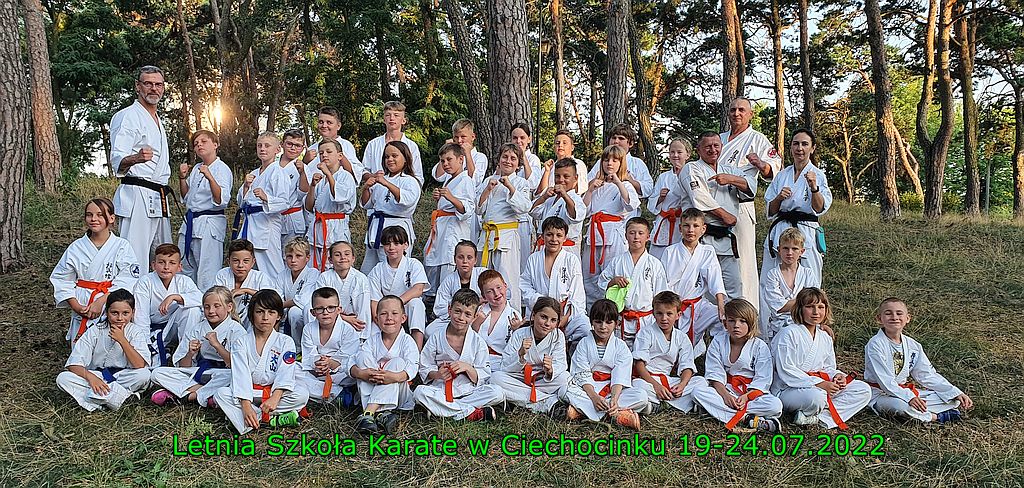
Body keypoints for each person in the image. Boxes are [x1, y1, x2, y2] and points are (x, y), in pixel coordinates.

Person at [771, 287, 870, 429]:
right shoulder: (787, 334)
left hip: (820, 386)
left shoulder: (824, 337)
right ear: (799, 309)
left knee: (863, 389)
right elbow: (786, 370)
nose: (816, 312)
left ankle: (820, 418)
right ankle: (814, 411)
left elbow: (828, 367)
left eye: (820, 307)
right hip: (788, 389)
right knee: (817, 397)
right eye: (810, 307)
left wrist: (837, 376)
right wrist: (819, 384)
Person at [213, 290, 309, 433]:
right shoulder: (241, 342)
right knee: (221, 394)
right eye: (259, 312)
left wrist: (275, 397)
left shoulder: (285, 341)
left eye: (271, 312)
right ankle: (270, 419)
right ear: (252, 314)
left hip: (273, 393)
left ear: (279, 316)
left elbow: (286, 372)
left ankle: (247, 418)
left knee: (302, 394)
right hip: (250, 393)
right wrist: (246, 406)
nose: (265, 317)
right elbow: (241, 375)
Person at [864, 297, 972, 424]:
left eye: (899, 313)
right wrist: (909, 397)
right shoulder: (875, 344)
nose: (894, 317)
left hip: (903, 391)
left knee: (953, 400)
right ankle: (935, 417)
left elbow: (926, 374)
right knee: (900, 407)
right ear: (879, 318)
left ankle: (923, 411)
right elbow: (885, 381)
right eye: (888, 313)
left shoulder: (913, 345)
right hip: (880, 393)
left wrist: (954, 392)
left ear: (907, 318)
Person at [719, 98, 784, 308]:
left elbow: (775, 168)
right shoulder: (720, 139)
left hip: (741, 204)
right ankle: (718, 311)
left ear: (750, 114)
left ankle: (747, 312)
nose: (736, 113)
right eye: (733, 109)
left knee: (743, 261)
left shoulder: (758, 139)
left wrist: (761, 164)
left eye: (741, 110)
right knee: (715, 261)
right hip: (716, 206)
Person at [677, 132, 756, 305]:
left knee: (734, 287)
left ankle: (735, 321)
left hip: (726, 240)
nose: (713, 150)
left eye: (716, 146)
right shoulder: (691, 168)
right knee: (704, 288)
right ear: (698, 149)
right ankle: (709, 322)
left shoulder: (729, 170)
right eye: (708, 146)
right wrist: (726, 216)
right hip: (702, 238)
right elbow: (699, 197)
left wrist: (731, 179)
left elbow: (751, 186)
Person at [50, 198, 141, 343]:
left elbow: (128, 278)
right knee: (82, 346)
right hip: (83, 302)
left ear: (111, 218)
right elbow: (62, 278)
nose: (93, 219)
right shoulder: (76, 247)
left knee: (110, 343)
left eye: (100, 215)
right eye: (89, 215)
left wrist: (102, 301)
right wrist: (76, 306)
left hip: (112, 302)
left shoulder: (122, 246)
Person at [109, 65, 172, 264]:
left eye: (158, 85)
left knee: (165, 257)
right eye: (148, 84)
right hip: (137, 194)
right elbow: (117, 159)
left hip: (159, 195)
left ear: (163, 88)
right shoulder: (127, 116)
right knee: (135, 257)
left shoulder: (158, 120)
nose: (154, 89)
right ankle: (130, 286)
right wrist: (136, 158)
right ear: (138, 86)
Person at [693, 299, 783, 432]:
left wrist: (746, 397)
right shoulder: (718, 341)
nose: (736, 325)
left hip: (751, 393)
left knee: (775, 405)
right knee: (698, 392)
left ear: (751, 323)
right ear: (725, 323)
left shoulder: (759, 346)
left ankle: (714, 410)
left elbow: (763, 379)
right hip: (726, 389)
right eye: (731, 320)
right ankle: (748, 419)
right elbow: (714, 373)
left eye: (742, 321)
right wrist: (725, 396)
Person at [414, 289, 505, 420]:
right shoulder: (436, 337)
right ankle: (472, 413)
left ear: (474, 317)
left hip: (469, 390)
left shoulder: (478, 342)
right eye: (457, 311)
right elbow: (424, 366)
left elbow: (483, 375)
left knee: (497, 392)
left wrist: (468, 368)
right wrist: (437, 374)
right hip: (441, 389)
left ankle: (442, 410)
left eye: (467, 314)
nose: (461, 318)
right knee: (419, 392)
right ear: (449, 309)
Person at [149, 286, 247, 407]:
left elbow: (239, 366)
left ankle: (189, 395)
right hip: (200, 372)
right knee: (157, 373)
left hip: (223, 373)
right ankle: (208, 395)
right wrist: (190, 353)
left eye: (217, 306)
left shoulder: (237, 331)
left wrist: (217, 345)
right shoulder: (197, 329)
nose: (211, 311)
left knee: (233, 377)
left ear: (229, 307)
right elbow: (184, 367)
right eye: (207, 307)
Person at [56, 289, 151, 411]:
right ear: (106, 312)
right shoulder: (95, 330)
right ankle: (122, 398)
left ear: (133, 312)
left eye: (125, 313)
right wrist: (92, 378)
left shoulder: (135, 332)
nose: (120, 318)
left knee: (144, 375)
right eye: (114, 313)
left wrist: (122, 340)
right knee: (63, 378)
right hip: (98, 376)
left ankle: (98, 400)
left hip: (123, 376)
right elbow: (73, 365)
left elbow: (139, 364)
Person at [563, 299, 647, 429]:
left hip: (612, 389)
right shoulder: (584, 343)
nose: (603, 326)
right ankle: (618, 414)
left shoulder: (620, 346)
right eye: (598, 322)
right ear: (591, 322)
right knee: (564, 389)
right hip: (589, 388)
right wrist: (594, 397)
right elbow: (582, 373)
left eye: (608, 322)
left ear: (616, 324)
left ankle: (583, 411)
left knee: (641, 396)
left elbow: (620, 376)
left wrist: (614, 399)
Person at [763, 129, 832, 284]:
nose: (799, 148)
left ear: (812, 148)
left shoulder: (818, 175)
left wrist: (814, 187)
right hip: (781, 229)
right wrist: (779, 198)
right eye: (796, 144)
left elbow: (819, 208)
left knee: (809, 280)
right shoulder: (781, 175)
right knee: (773, 278)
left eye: (804, 144)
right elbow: (770, 210)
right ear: (791, 147)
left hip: (806, 229)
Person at [661, 208, 728, 357]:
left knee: (724, 319)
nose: (691, 230)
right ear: (680, 228)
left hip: (698, 305)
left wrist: (721, 305)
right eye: (686, 225)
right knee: (674, 346)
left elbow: (715, 278)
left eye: (695, 226)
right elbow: (663, 283)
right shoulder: (670, 252)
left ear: (703, 229)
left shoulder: (707, 251)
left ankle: (718, 355)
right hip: (674, 305)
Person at [351, 295, 419, 435]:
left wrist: (393, 377)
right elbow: (353, 361)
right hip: (373, 383)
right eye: (383, 314)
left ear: (403, 318)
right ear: (376, 319)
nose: (389, 318)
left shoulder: (407, 341)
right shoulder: (372, 341)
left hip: (398, 393)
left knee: (397, 362)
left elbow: (412, 367)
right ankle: (382, 413)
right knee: (362, 356)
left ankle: (369, 412)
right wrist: (361, 373)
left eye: (394, 313)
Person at [631, 291, 709, 414]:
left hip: (669, 381)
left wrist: (682, 385)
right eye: (659, 313)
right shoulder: (646, 333)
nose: (664, 318)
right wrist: (656, 386)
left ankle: (657, 404)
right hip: (648, 380)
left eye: (669, 314)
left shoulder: (682, 337)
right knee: (637, 385)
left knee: (701, 381)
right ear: (653, 314)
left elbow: (687, 365)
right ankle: (683, 403)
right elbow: (639, 365)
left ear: (678, 315)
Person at [476, 143, 533, 312]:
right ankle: (484, 314)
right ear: (499, 159)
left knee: (507, 277)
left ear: (518, 164)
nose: (508, 161)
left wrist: (510, 187)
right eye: (505, 157)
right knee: (484, 277)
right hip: (487, 236)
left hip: (506, 237)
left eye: (513, 158)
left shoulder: (521, 183)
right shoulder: (489, 180)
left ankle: (512, 315)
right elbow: (478, 209)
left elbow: (524, 207)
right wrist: (488, 189)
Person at [583, 145, 640, 308]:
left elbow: (630, 205)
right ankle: (592, 313)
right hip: (593, 234)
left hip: (613, 235)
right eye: (606, 160)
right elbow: (583, 211)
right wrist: (590, 190)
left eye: (615, 160)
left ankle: (611, 312)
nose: (610, 163)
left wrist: (618, 182)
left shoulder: (625, 185)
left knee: (612, 275)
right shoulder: (596, 185)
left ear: (621, 163)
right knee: (589, 278)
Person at [490, 297, 570, 415]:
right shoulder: (519, 334)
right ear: (533, 315)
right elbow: (505, 366)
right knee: (496, 378)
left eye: (553, 320)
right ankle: (548, 402)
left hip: (542, 380)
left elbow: (561, 364)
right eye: (544, 317)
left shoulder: (558, 336)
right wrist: (520, 354)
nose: (547, 323)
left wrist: (550, 370)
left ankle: (515, 399)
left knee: (565, 378)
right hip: (520, 378)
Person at [520, 217, 591, 346]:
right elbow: (525, 285)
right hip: (541, 312)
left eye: (559, 235)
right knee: (528, 334)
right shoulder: (534, 259)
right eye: (549, 234)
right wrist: (541, 303)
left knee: (585, 328)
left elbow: (578, 294)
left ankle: (573, 353)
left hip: (566, 312)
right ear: (543, 236)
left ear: (565, 238)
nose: (554, 239)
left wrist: (565, 318)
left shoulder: (571, 259)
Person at [598, 217, 667, 349]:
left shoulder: (654, 264)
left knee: (643, 352)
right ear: (626, 236)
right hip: (621, 318)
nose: (636, 237)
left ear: (648, 236)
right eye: (632, 233)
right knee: (620, 352)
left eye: (641, 233)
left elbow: (661, 295)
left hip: (645, 319)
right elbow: (602, 282)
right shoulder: (617, 261)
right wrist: (613, 282)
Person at [177, 129, 232, 290]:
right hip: (190, 222)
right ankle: (187, 300)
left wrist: (209, 177)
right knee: (185, 267)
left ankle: (208, 303)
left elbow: (221, 200)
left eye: (203, 141)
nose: (199, 145)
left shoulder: (222, 169)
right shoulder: (196, 168)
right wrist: (182, 178)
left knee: (207, 271)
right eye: (196, 144)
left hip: (209, 223)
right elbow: (186, 197)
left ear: (215, 144)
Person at [132, 243, 203, 367]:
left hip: (176, 326)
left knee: (193, 310)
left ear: (179, 267)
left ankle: (186, 356)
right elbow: (140, 316)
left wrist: (175, 297)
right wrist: (144, 344)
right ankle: (163, 351)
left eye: (172, 263)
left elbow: (201, 299)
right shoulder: (145, 282)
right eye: (161, 262)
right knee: (151, 362)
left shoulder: (184, 281)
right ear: (153, 265)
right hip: (154, 329)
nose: (166, 267)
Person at [232, 132, 291, 278]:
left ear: (277, 149)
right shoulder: (254, 173)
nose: (262, 149)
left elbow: (285, 202)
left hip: (267, 226)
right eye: (259, 145)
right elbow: (241, 202)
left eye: (267, 146)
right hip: (250, 224)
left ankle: (276, 292)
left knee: (271, 268)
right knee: (248, 267)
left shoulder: (278, 172)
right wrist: (246, 187)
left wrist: (266, 198)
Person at [422, 143, 476, 301]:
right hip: (441, 227)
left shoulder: (466, 180)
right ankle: (432, 299)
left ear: (461, 159)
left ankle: (448, 301)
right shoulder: (449, 179)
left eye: (449, 159)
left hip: (454, 230)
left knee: (449, 265)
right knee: (433, 263)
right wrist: (440, 198)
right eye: (442, 161)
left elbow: (468, 209)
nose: (445, 164)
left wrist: (451, 198)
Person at [359, 141, 422, 274]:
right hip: (376, 228)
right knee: (369, 269)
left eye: (394, 156)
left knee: (393, 269)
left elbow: (407, 201)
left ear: (405, 158)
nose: (390, 159)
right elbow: (367, 204)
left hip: (397, 228)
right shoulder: (380, 179)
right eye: (387, 157)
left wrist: (386, 183)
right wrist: (366, 188)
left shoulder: (410, 181)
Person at [367, 226, 430, 349]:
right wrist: (379, 319)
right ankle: (379, 353)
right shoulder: (377, 269)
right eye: (387, 244)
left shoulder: (413, 264)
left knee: (416, 304)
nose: (391, 248)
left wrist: (397, 303)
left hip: (406, 306)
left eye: (396, 243)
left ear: (405, 245)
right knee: (372, 330)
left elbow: (418, 289)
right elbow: (374, 300)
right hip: (386, 311)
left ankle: (417, 351)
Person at [302, 139, 358, 271]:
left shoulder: (346, 176)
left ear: (339, 156)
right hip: (318, 226)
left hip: (336, 226)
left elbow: (340, 198)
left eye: (329, 152)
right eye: (321, 153)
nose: (324, 155)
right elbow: (309, 207)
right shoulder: (320, 179)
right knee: (315, 266)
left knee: (335, 264)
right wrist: (312, 186)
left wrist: (328, 173)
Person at [298, 287, 360, 404]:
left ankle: (318, 392)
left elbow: (347, 359)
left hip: (340, 374)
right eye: (320, 309)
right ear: (313, 312)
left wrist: (330, 363)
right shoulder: (308, 329)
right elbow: (309, 355)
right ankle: (337, 393)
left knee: (355, 371)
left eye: (331, 308)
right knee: (293, 370)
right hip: (316, 371)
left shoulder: (348, 330)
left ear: (339, 310)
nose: (325, 312)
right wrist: (319, 363)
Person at [759, 228, 820, 341]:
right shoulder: (773, 274)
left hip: (804, 325)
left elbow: (814, 302)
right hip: (778, 328)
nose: (789, 253)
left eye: (794, 249)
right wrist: (804, 302)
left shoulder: (808, 273)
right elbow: (778, 306)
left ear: (802, 251)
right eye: (785, 248)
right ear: (779, 250)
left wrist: (805, 303)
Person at [586, 124, 654, 218]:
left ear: (630, 143)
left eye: (621, 138)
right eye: (613, 138)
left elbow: (648, 189)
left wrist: (630, 180)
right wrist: (596, 180)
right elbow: (586, 185)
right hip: (599, 212)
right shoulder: (601, 162)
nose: (616, 141)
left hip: (626, 216)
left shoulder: (637, 163)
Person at [425, 241, 488, 337]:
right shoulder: (449, 280)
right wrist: (461, 308)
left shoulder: (483, 275)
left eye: (469, 257)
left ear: (475, 260)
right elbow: (439, 307)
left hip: (478, 316)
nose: (465, 261)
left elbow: (495, 294)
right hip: (455, 318)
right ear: (455, 259)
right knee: (430, 330)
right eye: (460, 257)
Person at [213, 240, 281, 328]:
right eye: (236, 261)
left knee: (252, 309)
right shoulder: (222, 274)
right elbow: (215, 298)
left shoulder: (260, 277)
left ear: (253, 262)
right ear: (228, 261)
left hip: (252, 322)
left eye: (246, 261)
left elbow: (272, 300)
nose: (240, 265)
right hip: (227, 317)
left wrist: (246, 290)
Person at [312, 241, 372, 341]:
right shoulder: (324, 277)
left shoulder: (360, 279)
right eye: (337, 255)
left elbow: (363, 309)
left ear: (353, 259)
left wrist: (361, 333)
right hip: (328, 321)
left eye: (347, 254)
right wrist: (344, 318)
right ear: (330, 260)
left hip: (353, 323)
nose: (343, 257)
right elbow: (320, 305)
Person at [531, 158, 586, 257]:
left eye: (566, 176)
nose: (561, 180)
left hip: (566, 250)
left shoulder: (576, 199)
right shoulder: (550, 198)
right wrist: (544, 197)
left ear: (575, 178)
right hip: (544, 248)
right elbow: (533, 212)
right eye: (557, 176)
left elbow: (575, 216)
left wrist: (565, 195)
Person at [471, 270, 523, 373]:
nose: (496, 293)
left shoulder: (515, 316)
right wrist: (477, 323)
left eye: (499, 287)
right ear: (483, 296)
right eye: (490, 291)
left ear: (505, 286)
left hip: (501, 363)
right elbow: (468, 338)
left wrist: (516, 330)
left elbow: (517, 348)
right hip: (476, 360)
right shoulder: (478, 312)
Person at [361, 101, 424, 184]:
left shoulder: (411, 146)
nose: (392, 118)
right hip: (377, 189)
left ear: (403, 120)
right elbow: (363, 171)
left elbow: (417, 176)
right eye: (388, 115)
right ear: (384, 119)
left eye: (396, 115)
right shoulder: (373, 144)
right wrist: (373, 176)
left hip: (402, 189)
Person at [648, 138, 690, 259]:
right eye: (672, 152)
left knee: (679, 258)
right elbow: (652, 204)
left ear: (687, 155)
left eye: (679, 152)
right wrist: (660, 198)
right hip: (664, 222)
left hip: (682, 222)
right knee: (657, 259)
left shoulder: (692, 174)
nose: (675, 155)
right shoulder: (663, 177)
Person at [510, 123, 544, 264]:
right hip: (506, 215)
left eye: (522, 138)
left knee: (521, 259)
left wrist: (523, 158)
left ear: (529, 139)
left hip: (523, 216)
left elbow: (533, 184)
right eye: (515, 138)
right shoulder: (508, 157)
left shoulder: (533, 159)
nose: (518, 141)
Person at [278, 238, 321, 344]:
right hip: (284, 312)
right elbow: (277, 295)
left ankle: (300, 346)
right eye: (289, 256)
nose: (293, 260)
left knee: (294, 312)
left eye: (298, 256)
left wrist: (281, 305)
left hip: (305, 314)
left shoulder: (313, 273)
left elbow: (303, 299)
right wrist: (278, 306)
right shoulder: (282, 275)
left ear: (307, 258)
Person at [303, 106, 363, 182]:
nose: (324, 126)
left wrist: (337, 154)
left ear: (338, 126)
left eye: (329, 122)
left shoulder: (346, 145)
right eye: (321, 122)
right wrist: (305, 161)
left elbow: (355, 173)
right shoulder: (312, 148)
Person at [277, 128, 309, 248]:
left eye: (297, 145)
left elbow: (302, 194)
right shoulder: (272, 165)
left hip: (292, 217)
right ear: (282, 144)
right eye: (289, 144)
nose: (293, 148)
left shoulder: (304, 168)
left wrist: (302, 173)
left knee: (291, 254)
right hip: (272, 217)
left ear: (303, 148)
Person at [537, 130, 588, 195]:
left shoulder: (579, 164)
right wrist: (547, 172)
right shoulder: (547, 167)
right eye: (557, 143)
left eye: (564, 143)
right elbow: (539, 194)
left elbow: (582, 190)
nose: (560, 145)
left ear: (572, 147)